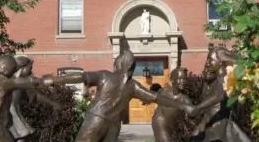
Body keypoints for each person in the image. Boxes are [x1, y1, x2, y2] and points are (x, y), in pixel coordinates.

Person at [42, 50, 200, 142]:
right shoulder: (133, 86)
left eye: (116, 62)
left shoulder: (105, 76)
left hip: (96, 119)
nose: (114, 64)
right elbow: (157, 98)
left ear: (122, 64)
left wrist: (54, 79)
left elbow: (80, 77)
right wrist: (184, 106)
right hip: (114, 127)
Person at [191, 46, 251, 142]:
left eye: (211, 60)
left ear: (220, 62)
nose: (208, 63)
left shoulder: (223, 77)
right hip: (213, 122)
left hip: (218, 124)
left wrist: (197, 107)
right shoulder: (216, 78)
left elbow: (220, 95)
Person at [9, 56, 63, 141]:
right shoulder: (11, 82)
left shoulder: (21, 83)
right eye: (29, 68)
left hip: (14, 120)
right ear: (22, 68)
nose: (31, 72)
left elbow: (34, 96)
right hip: (10, 120)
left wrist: (53, 103)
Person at [151, 68, 192, 142]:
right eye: (179, 78)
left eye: (184, 79)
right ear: (173, 80)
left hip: (171, 126)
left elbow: (194, 112)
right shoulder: (164, 91)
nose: (182, 81)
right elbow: (153, 96)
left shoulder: (185, 99)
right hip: (159, 122)